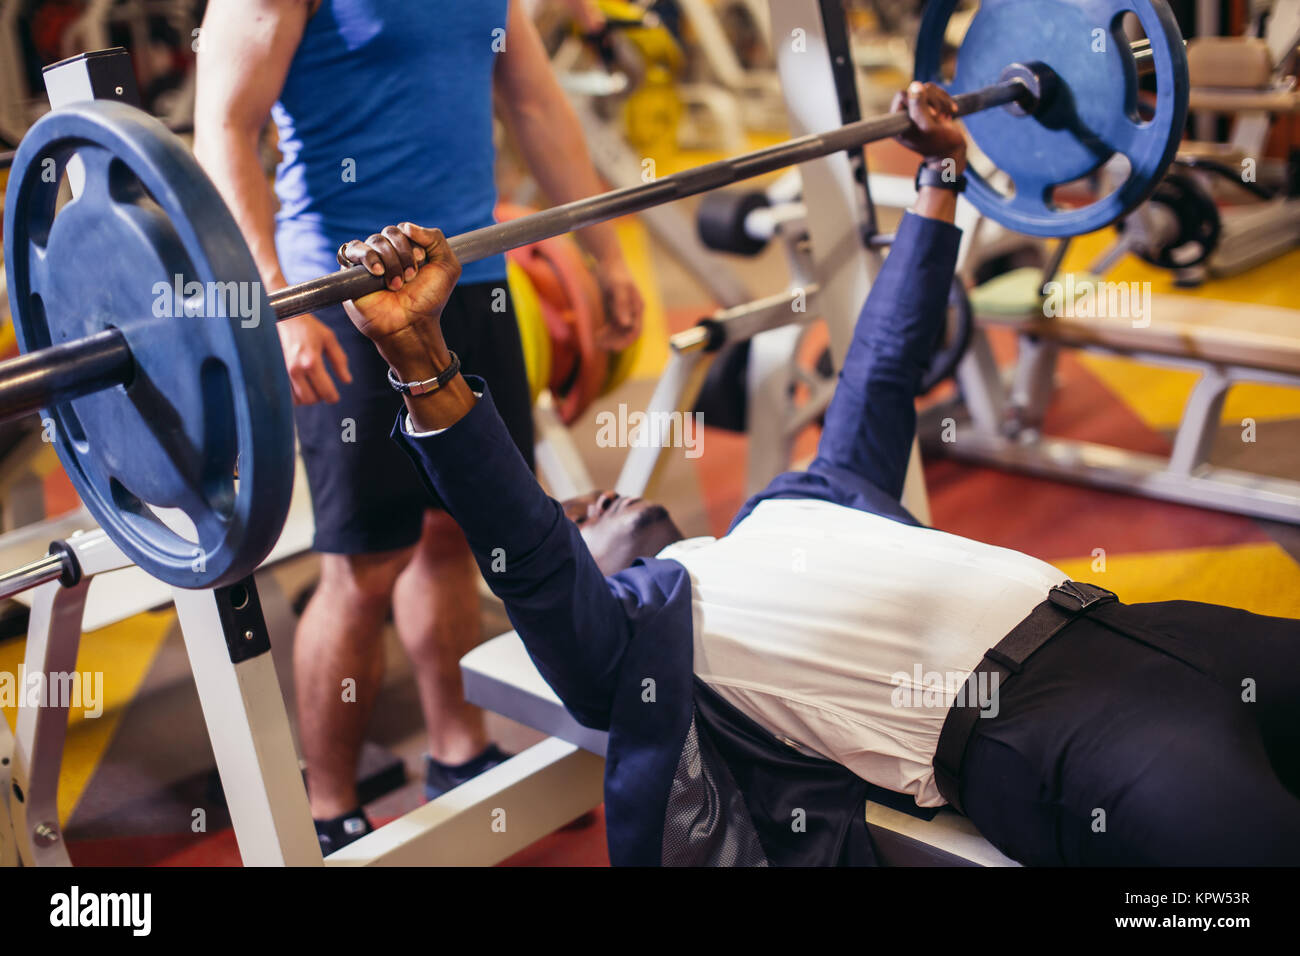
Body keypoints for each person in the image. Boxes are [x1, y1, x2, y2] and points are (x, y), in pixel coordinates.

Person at [334, 84, 1300, 866]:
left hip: (1138, 629)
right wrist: (422, 356)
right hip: (1061, 735)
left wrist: (938, 179)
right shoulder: (639, 643)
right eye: (580, 514)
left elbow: (880, 369)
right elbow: (532, 555)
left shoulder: (798, 502)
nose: (590, 496)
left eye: (579, 499)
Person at [193, 0, 644, 853]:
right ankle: (326, 807)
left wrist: (607, 250)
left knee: (455, 534)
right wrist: (275, 304)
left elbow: (536, 102)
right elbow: (223, 127)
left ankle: (456, 748)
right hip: (344, 295)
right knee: (364, 563)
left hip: (475, 278)